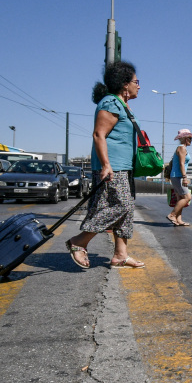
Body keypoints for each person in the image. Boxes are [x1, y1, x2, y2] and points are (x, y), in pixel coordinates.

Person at [65, 61, 145, 269]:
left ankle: (120, 255)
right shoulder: (110, 102)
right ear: (125, 84)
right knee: (120, 206)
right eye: (137, 82)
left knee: (126, 211)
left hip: (124, 167)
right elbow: (99, 134)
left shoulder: (122, 105)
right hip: (113, 167)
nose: (139, 86)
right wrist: (106, 165)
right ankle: (79, 241)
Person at [167, 129, 192, 226]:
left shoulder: (182, 148)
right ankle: (172, 215)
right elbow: (181, 164)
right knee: (187, 197)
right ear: (184, 138)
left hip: (175, 176)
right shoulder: (182, 148)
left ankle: (178, 220)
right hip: (178, 176)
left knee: (180, 199)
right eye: (189, 138)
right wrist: (184, 177)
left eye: (191, 138)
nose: (191, 140)